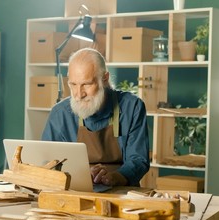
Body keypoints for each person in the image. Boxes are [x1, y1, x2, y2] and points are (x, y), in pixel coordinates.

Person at [42, 48, 150, 188]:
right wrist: (81, 174)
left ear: (104, 79)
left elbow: (138, 160)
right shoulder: (60, 114)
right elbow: (48, 163)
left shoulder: (132, 107)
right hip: (75, 191)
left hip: (122, 191)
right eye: (73, 84)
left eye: (86, 84)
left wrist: (115, 177)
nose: (78, 94)